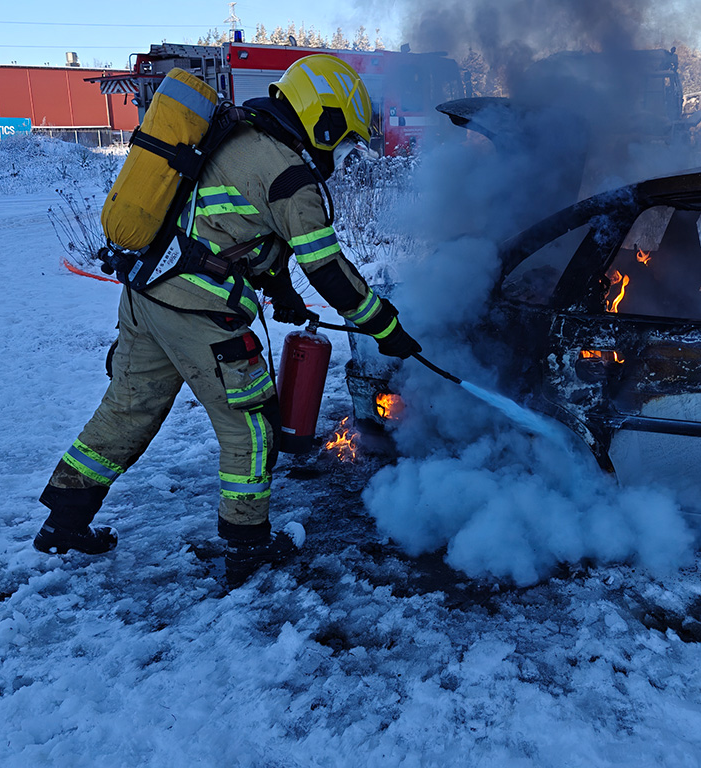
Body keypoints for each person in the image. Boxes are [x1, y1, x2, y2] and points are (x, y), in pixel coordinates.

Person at [33, 54, 421, 585]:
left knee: (129, 407)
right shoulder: (288, 174)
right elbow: (329, 270)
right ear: (324, 121)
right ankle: (247, 547)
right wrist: (384, 327)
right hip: (199, 313)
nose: (341, 153)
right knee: (253, 427)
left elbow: (230, 230)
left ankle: (64, 520)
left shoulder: (234, 137)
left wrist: (280, 289)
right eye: (344, 139)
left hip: (148, 295)